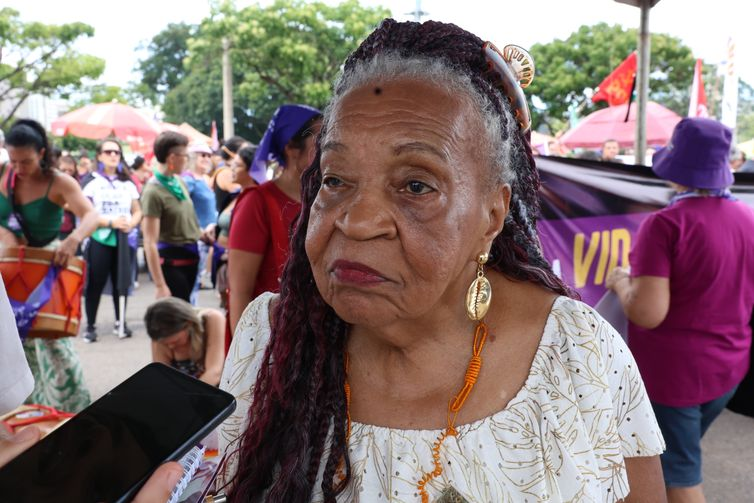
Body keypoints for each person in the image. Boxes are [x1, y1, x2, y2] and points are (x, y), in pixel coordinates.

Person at [217, 19, 665, 502]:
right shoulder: (270, 339)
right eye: (335, 180)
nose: (357, 221)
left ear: (492, 215)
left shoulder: (576, 351)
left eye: (416, 185)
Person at [606, 117, 754, 503]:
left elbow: (647, 313)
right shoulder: (748, 218)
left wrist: (621, 281)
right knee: (676, 458)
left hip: (676, 379)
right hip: (729, 367)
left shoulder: (666, 224)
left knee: (681, 478)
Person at [0, 119, 99, 413]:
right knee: (17, 346)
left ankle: (75, 413)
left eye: (26, 161)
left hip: (45, 270)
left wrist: (73, 239)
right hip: (8, 269)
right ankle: (29, 414)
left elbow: (91, 215)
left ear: (42, 153)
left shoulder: (59, 181)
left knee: (55, 343)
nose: (19, 167)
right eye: (13, 160)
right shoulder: (3, 174)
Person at [227, 105, 321, 332]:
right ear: (291, 148)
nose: (330, 147)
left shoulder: (327, 199)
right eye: (320, 140)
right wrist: (246, 349)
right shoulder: (257, 202)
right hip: (273, 336)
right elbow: (239, 291)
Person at [81, 139, 142, 342]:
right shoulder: (91, 182)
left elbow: (137, 210)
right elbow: (84, 212)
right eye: (108, 152)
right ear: (99, 155)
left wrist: (130, 224)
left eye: (116, 152)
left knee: (121, 282)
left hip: (124, 239)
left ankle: (121, 322)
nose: (113, 155)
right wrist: (109, 222)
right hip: (100, 238)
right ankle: (90, 326)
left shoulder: (127, 183)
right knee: (95, 283)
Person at [140, 131, 202, 302]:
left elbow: (185, 219)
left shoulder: (178, 181)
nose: (187, 160)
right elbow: (149, 242)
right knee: (181, 312)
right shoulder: (153, 191)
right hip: (171, 263)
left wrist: (202, 233)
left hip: (191, 257)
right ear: (172, 158)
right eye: (185, 156)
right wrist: (160, 285)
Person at [214, 145, 258, 311]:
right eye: (232, 164)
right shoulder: (234, 196)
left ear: (252, 169)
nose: (232, 169)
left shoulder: (256, 200)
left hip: (237, 267)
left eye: (238, 165)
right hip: (223, 262)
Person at [144, 297, 225, 386]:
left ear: (189, 323)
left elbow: (215, 372)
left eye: (175, 341)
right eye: (165, 344)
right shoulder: (158, 335)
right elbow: (162, 380)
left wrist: (191, 394)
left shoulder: (212, 319)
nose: (171, 346)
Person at [184, 142, 218, 303]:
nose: (207, 158)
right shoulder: (188, 180)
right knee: (191, 283)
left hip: (206, 239)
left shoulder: (203, 179)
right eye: (202, 155)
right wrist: (198, 230)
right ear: (192, 157)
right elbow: (184, 209)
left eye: (209, 155)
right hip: (197, 238)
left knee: (196, 281)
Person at [212, 136, 246, 214]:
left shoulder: (228, 170)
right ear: (233, 153)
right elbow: (241, 194)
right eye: (244, 151)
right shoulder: (226, 173)